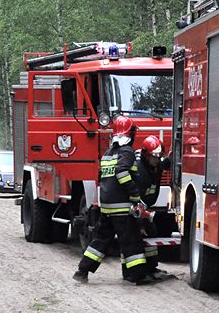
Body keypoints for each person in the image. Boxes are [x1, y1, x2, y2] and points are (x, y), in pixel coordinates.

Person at [73, 116, 156, 285]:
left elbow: (101, 177)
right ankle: (138, 276)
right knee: (131, 241)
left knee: (100, 239)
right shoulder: (127, 152)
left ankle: (82, 271)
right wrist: (134, 196)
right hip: (121, 207)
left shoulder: (108, 153)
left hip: (107, 206)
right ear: (130, 133)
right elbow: (122, 173)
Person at [131, 136, 171, 272]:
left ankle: (152, 267)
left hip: (144, 206)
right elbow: (136, 200)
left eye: (159, 156)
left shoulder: (155, 167)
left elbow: (166, 163)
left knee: (152, 231)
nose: (157, 159)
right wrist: (140, 224)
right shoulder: (139, 171)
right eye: (154, 156)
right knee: (138, 235)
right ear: (146, 156)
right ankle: (138, 271)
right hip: (133, 209)